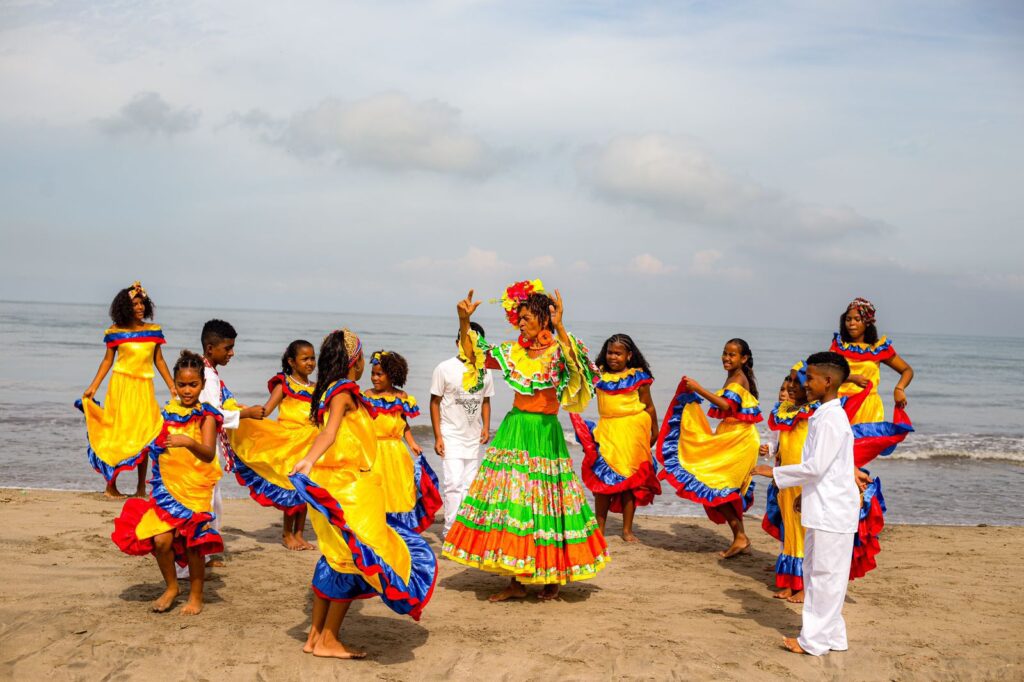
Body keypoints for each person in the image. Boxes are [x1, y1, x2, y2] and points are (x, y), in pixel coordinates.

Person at [442, 282, 609, 602]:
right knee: (513, 503)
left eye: (527, 317)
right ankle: (517, 581)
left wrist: (560, 326)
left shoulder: (560, 350)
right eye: (519, 317)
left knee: (547, 503)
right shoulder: (513, 351)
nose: (520, 321)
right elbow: (475, 354)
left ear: (543, 320)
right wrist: (464, 321)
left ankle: (552, 578)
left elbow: (579, 368)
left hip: (545, 434)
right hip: (515, 431)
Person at [289, 329, 437, 660]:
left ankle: (315, 636)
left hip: (337, 482)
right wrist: (308, 461)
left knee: (334, 556)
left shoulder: (327, 390)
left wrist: (310, 463)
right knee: (354, 561)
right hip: (350, 487)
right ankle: (328, 640)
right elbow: (329, 434)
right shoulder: (343, 391)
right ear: (352, 362)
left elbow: (330, 433)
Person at [754, 351, 868, 656]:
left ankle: (814, 641)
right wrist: (805, 494)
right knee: (822, 573)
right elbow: (831, 467)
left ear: (828, 381)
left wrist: (773, 472)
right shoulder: (824, 414)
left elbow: (816, 467)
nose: (805, 383)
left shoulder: (831, 418)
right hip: (825, 505)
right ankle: (833, 636)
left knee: (824, 576)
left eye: (811, 377)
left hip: (833, 509)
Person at [111, 350, 223, 615]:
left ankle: (196, 596)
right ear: (174, 384)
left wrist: (188, 442)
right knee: (161, 541)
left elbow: (208, 453)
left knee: (194, 546)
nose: (187, 390)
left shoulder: (206, 416)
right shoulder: (165, 414)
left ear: (202, 385)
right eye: (182, 385)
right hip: (167, 489)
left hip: (195, 489)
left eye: (193, 385)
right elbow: (149, 443)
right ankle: (171, 587)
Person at [656, 338, 761, 558]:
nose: (726, 357)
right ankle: (740, 537)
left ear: (744, 358)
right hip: (731, 436)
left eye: (732, 355)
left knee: (715, 485)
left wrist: (698, 389)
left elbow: (726, 405)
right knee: (722, 487)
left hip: (739, 440)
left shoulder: (739, 378)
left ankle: (740, 536)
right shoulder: (735, 376)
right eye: (725, 353)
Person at [79, 281, 174, 498]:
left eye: (142, 303)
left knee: (146, 435)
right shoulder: (115, 332)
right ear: (125, 307)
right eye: (135, 304)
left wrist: (172, 385)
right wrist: (93, 387)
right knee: (118, 435)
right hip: (121, 388)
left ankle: (141, 488)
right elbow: (107, 361)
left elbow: (159, 360)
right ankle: (111, 485)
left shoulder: (154, 331)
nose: (139, 307)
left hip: (144, 389)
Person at [570, 333, 660, 542]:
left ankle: (627, 530)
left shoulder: (638, 377)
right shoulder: (599, 374)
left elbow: (649, 406)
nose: (613, 357)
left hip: (632, 432)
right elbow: (576, 364)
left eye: (618, 354)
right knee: (603, 481)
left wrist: (655, 431)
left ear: (629, 355)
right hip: (607, 430)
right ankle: (599, 529)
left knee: (629, 482)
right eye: (610, 352)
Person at [229, 340, 318, 549]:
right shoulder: (284, 383)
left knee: (305, 490)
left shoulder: (316, 387)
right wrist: (244, 412)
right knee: (290, 487)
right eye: (305, 358)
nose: (310, 363)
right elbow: (267, 410)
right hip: (287, 441)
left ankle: (299, 533)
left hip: (308, 443)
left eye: (313, 358)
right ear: (291, 361)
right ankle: (288, 534)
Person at [198, 319, 263, 567]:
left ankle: (206, 552)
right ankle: (201, 553)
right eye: (228, 348)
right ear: (210, 348)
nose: (232, 353)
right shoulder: (206, 375)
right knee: (207, 499)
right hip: (203, 445)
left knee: (213, 499)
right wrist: (245, 414)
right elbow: (210, 413)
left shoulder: (208, 372)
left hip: (207, 443)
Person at [362, 350, 442, 533]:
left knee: (398, 491)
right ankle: (376, 526)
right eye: (373, 374)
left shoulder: (401, 397)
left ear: (392, 375)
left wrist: (412, 443)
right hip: (373, 450)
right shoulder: (367, 395)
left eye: (379, 374)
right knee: (376, 490)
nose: (374, 378)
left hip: (396, 452)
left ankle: (396, 529)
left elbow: (403, 423)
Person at [429, 321, 494, 536]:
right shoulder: (444, 368)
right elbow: (435, 402)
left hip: (472, 436)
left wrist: (486, 426)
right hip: (450, 435)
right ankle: (450, 532)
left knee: (469, 484)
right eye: (468, 341)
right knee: (453, 483)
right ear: (458, 342)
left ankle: (465, 532)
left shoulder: (485, 371)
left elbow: (485, 401)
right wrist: (438, 436)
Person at [831, 297, 914, 424]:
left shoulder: (878, 348)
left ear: (867, 322)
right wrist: (851, 378)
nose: (851, 323)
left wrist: (899, 389)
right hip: (841, 405)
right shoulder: (839, 346)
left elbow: (907, 370)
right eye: (848, 319)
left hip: (868, 408)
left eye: (857, 319)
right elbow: (826, 371)